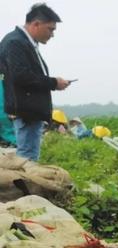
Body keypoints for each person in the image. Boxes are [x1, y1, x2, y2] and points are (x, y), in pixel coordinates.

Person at [0, 3, 70, 161]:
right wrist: (54, 83)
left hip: (30, 111)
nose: (52, 34)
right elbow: (21, 76)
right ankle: (25, 185)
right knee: (27, 159)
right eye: (50, 29)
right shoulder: (15, 43)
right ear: (36, 24)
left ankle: (25, 183)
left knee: (28, 156)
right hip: (26, 112)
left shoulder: (24, 43)